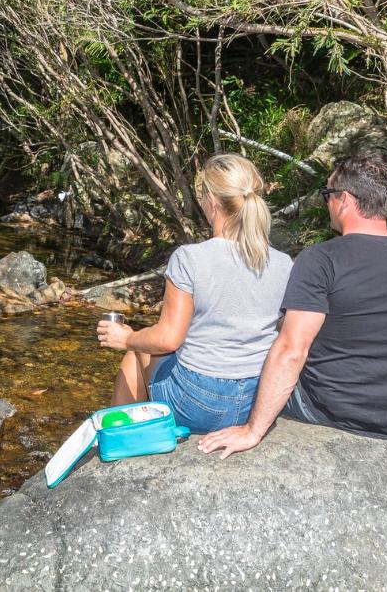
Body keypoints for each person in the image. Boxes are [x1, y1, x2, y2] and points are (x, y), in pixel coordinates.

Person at [198, 153, 387, 458]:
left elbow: (291, 351)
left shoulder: (322, 260)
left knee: (255, 366)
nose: (326, 202)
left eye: (327, 194)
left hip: (341, 409)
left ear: (344, 200)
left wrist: (253, 431)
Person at [97, 153, 293, 433]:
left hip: (200, 404)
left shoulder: (190, 258)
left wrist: (127, 338)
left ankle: (117, 437)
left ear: (212, 200)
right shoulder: (284, 263)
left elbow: (167, 339)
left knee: (136, 351)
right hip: (257, 400)